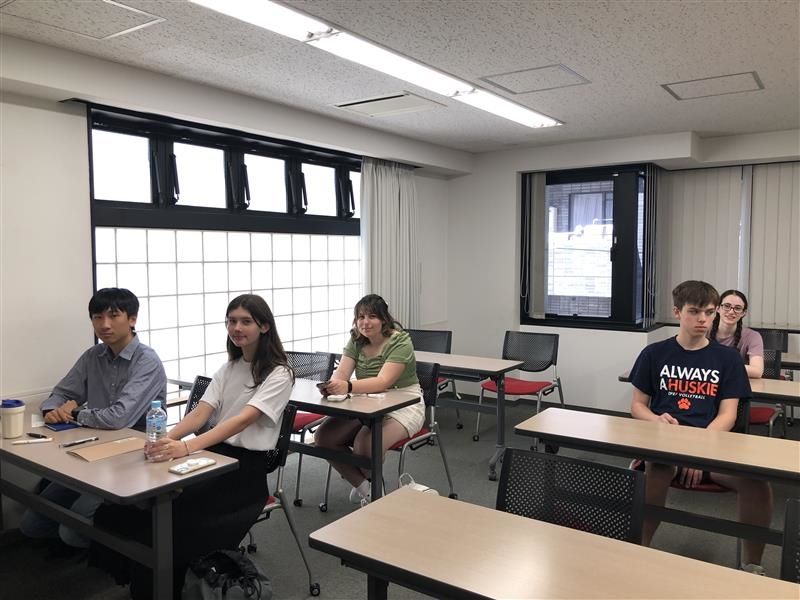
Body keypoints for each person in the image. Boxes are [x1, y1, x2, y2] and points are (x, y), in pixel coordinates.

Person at [93, 293, 293, 599]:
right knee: (131, 511)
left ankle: (160, 586)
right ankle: (144, 583)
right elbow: (201, 412)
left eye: (246, 322)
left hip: (243, 472)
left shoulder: (280, 373)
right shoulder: (230, 367)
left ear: (264, 326)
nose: (236, 327)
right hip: (213, 457)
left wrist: (186, 448)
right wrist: (168, 439)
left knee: (173, 523)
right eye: (231, 321)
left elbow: (242, 420)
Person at [629, 280, 772, 575]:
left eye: (708, 312)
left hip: (712, 445)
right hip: (666, 445)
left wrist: (697, 452)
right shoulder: (654, 354)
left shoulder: (728, 359)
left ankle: (752, 565)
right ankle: (637, 549)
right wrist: (656, 420)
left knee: (757, 482)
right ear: (677, 312)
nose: (704, 320)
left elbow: (728, 415)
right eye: (695, 312)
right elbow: (638, 406)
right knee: (655, 470)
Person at [20, 287, 166, 549]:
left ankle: (116, 543)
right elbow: (62, 392)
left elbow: (118, 418)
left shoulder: (147, 361)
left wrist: (74, 412)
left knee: (71, 532)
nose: (104, 325)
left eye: (113, 316)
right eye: (97, 317)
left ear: (132, 319)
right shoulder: (93, 356)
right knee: (32, 524)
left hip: (134, 453)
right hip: (92, 446)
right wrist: (52, 410)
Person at [315, 294, 424, 504]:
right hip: (367, 400)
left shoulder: (400, 341)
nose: (365, 322)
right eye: (360, 317)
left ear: (384, 318)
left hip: (404, 402)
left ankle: (374, 494)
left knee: (365, 446)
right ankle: (368, 488)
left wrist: (346, 387)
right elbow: (342, 373)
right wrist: (333, 384)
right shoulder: (356, 339)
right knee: (324, 438)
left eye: (372, 316)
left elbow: (383, 381)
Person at [709, 289, 764, 378]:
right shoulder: (704, 330)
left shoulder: (753, 336)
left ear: (743, 313)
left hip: (735, 383)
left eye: (737, 308)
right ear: (717, 308)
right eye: (727, 306)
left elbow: (757, 371)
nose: (731, 312)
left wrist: (721, 366)